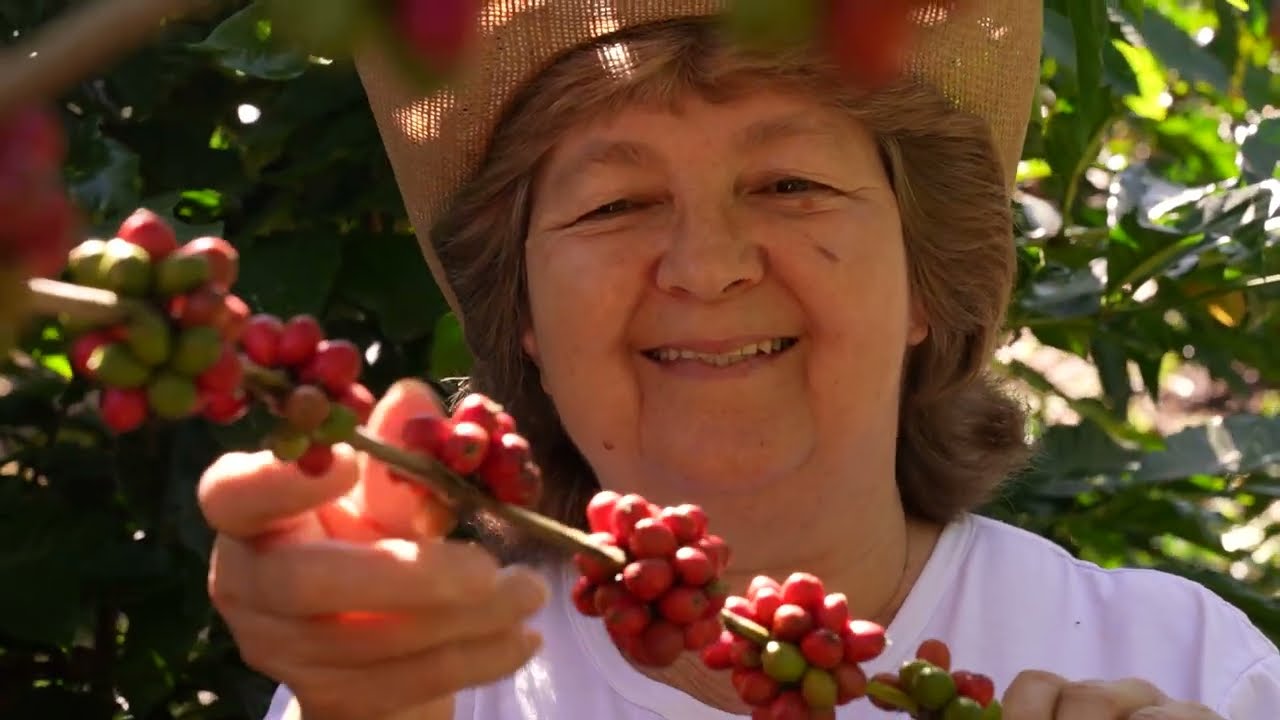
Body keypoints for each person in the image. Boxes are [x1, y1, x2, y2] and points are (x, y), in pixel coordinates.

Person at [196, 2, 1280, 719]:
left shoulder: (1185, 667)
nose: (704, 268)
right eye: (615, 204)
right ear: (522, 312)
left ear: (922, 282)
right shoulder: (430, 674)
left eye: (789, 185)